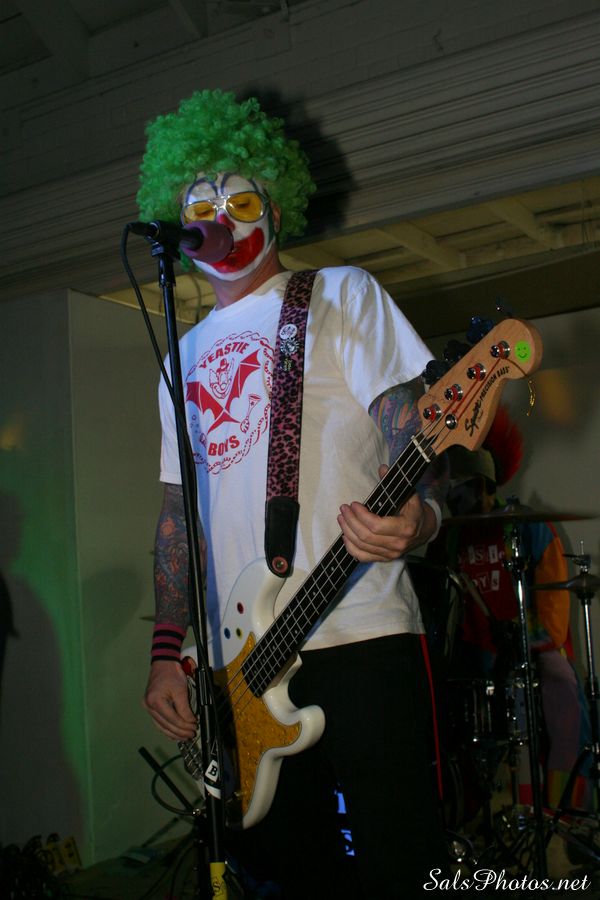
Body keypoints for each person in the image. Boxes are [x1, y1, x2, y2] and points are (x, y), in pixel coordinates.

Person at [139, 89, 449, 898]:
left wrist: (419, 518)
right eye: (201, 209)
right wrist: (167, 653)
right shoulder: (178, 358)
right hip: (235, 668)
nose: (222, 221)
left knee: (403, 864)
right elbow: (177, 520)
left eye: (241, 203)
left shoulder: (342, 296)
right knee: (287, 877)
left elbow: (418, 435)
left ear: (275, 209)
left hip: (358, 629)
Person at [426, 407, 590, 814]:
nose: (456, 502)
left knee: (562, 686)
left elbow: (553, 616)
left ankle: (562, 810)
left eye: (463, 491)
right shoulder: (449, 538)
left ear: (485, 485)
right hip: (474, 659)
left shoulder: (529, 528)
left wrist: (521, 641)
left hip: (531, 652)